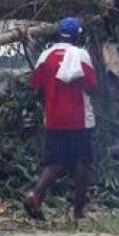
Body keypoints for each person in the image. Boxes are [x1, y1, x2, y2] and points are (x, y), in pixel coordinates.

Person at [23, 16, 97, 220]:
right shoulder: (81, 55)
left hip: (53, 119)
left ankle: (35, 194)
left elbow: (36, 86)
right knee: (81, 161)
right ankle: (78, 211)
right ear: (76, 36)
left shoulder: (45, 56)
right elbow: (92, 86)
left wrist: (49, 105)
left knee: (55, 162)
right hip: (80, 119)